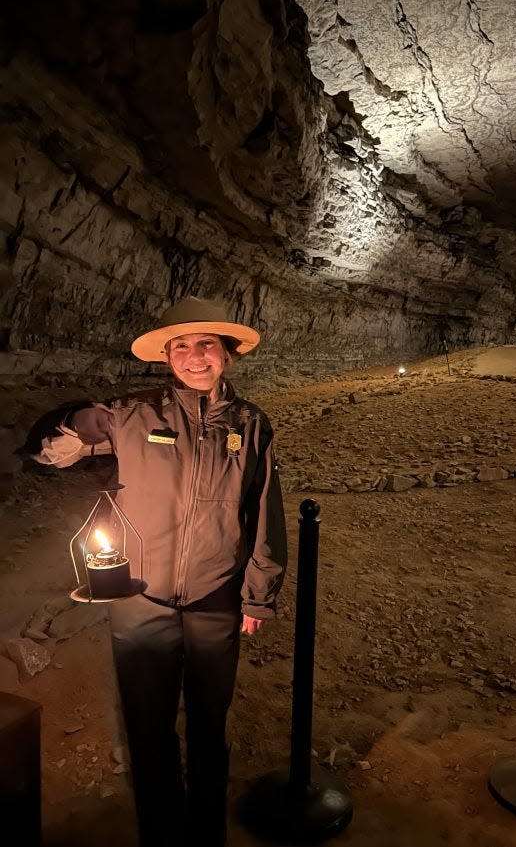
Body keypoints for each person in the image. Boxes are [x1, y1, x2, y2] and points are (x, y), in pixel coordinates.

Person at [29, 296, 288, 846]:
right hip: (138, 598)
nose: (194, 357)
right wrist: (73, 423)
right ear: (166, 357)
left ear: (227, 356)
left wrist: (258, 595)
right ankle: (162, 833)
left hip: (216, 597)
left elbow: (265, 511)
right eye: (181, 347)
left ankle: (206, 831)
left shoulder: (250, 424)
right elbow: (50, 455)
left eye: (206, 346)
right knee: (148, 728)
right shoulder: (134, 413)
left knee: (208, 726)